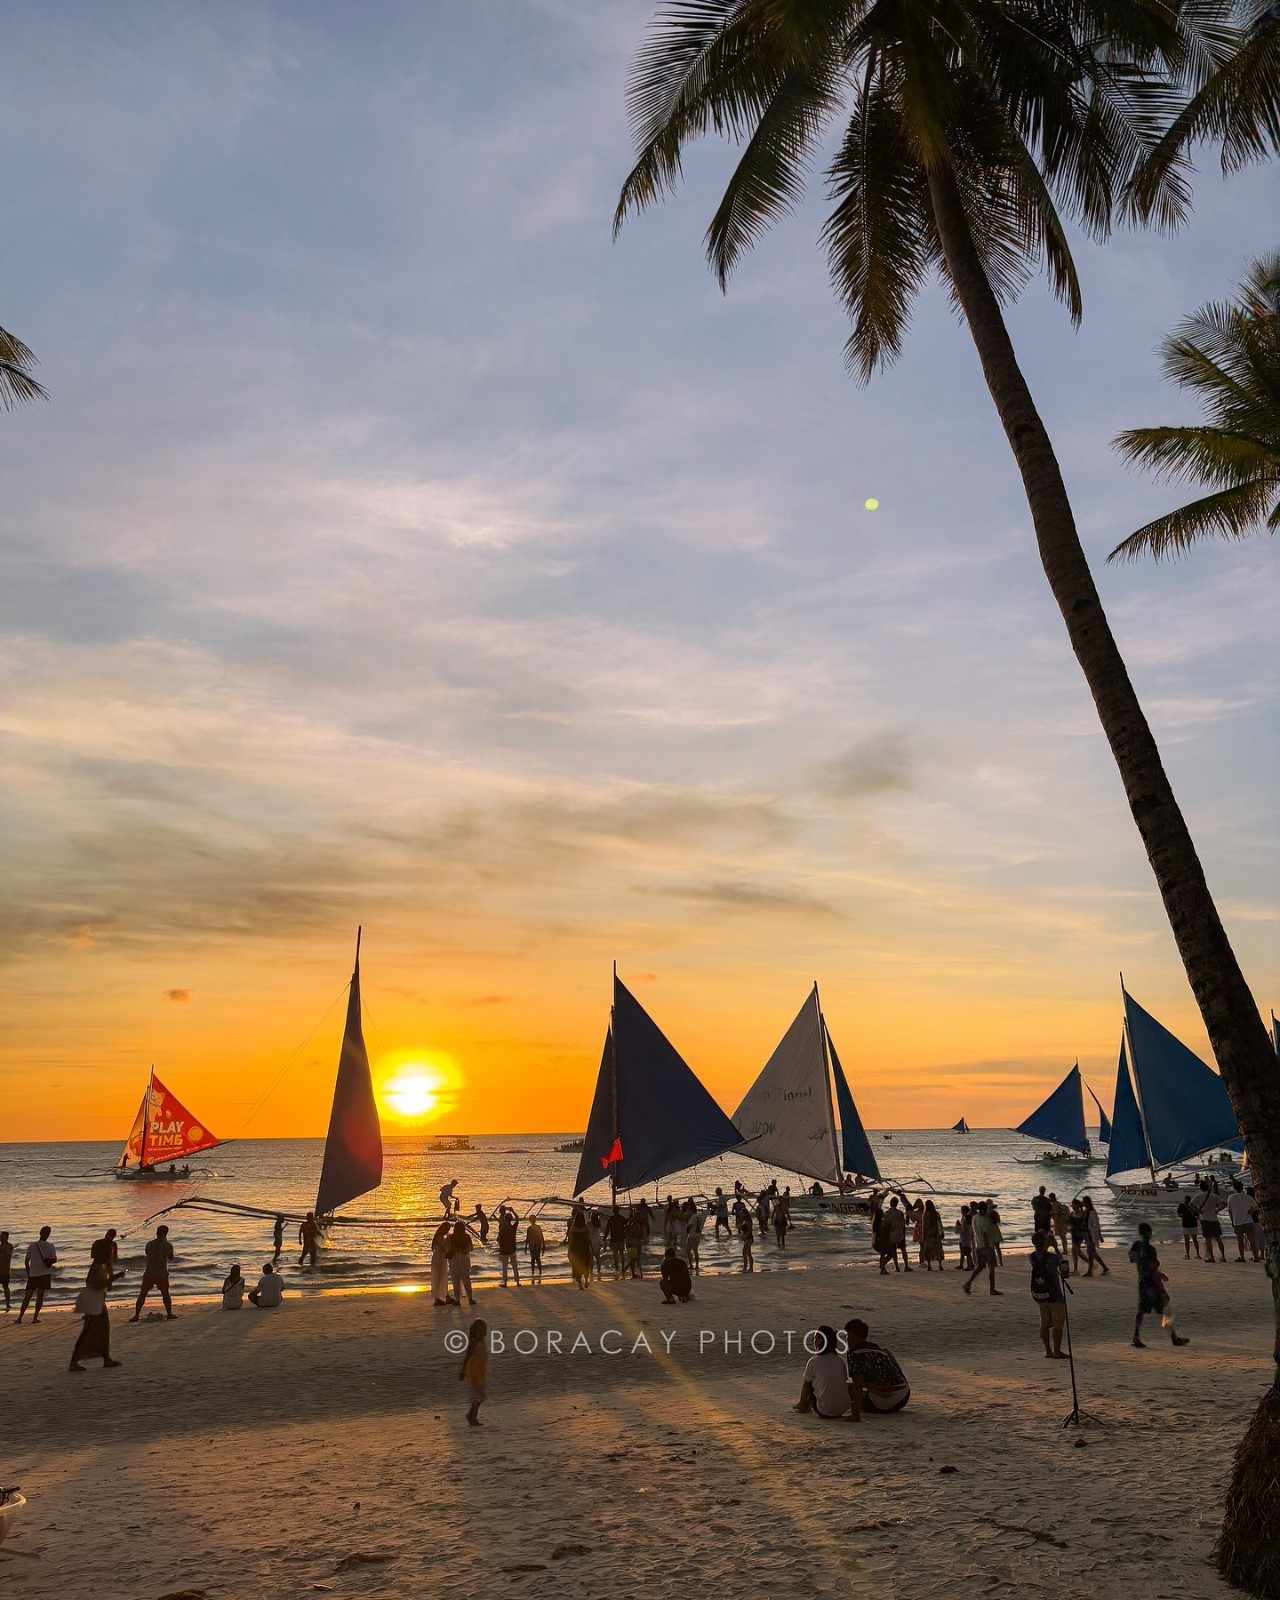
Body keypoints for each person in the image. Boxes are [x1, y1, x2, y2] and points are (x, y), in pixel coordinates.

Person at [1129, 1224, 1189, 1348]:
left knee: (1141, 1311)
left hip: (1142, 1282)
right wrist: (1161, 1287)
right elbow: (1152, 1269)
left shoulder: (1136, 1246)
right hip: (1152, 1283)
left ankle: (1136, 1336)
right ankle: (1174, 1338)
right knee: (1166, 1309)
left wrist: (1156, 1272)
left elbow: (1133, 1260)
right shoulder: (1150, 1250)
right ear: (1149, 1233)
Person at [844, 1319, 911, 1414]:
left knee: (848, 1388)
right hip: (903, 1398)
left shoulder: (854, 1353)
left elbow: (857, 1386)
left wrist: (855, 1415)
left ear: (853, 1335)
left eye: (847, 1336)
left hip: (881, 1403)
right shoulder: (880, 1351)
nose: (846, 1340)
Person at [795, 1326, 858, 1420]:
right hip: (843, 1408)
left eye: (815, 1338)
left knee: (809, 1383)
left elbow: (806, 1385)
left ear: (820, 1340)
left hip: (824, 1411)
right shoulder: (840, 1360)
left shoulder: (813, 1361)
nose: (814, 1340)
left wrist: (803, 1400)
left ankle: (803, 1405)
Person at [69, 1264, 121, 1373]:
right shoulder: (97, 1266)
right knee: (89, 1331)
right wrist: (114, 1277)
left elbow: (105, 1286)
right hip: (94, 1300)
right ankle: (74, 1362)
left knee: (102, 1329)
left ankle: (106, 1358)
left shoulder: (102, 1266)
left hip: (98, 1300)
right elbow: (95, 1284)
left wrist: (110, 1274)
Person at [1030, 1233, 1069, 1359]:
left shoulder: (1032, 1257)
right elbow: (1064, 1270)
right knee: (1058, 1324)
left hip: (1040, 1293)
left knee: (1044, 1323)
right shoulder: (1053, 1257)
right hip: (1054, 1294)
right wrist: (1056, 1247)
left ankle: (1048, 1350)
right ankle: (1057, 1351)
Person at [131, 1224, 177, 1321]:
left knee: (142, 1294)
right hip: (161, 1273)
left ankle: (136, 1315)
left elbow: (147, 1254)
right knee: (165, 1294)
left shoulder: (149, 1244)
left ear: (157, 1233)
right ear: (166, 1233)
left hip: (149, 1272)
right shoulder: (168, 1245)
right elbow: (171, 1258)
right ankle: (169, 1314)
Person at [17, 1225, 56, 1323]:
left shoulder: (32, 1245)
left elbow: (26, 1261)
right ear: (48, 1235)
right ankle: (35, 1318)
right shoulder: (51, 1246)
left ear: (40, 1233)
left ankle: (20, 1318)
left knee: (28, 1296)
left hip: (33, 1274)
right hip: (45, 1274)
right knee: (40, 1297)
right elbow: (54, 1259)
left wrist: (28, 1273)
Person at [963, 1202, 1001, 1296]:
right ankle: (992, 1289)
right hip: (986, 1246)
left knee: (980, 1267)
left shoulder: (975, 1218)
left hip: (978, 1246)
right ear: (984, 1209)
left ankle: (968, 1283)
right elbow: (985, 1234)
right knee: (991, 1267)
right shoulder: (985, 1220)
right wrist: (988, 1247)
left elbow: (974, 1231)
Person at [460, 1318, 488, 1426]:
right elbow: (467, 1356)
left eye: (485, 1329)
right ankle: (472, 1417)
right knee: (478, 1396)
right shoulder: (474, 1342)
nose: (484, 1331)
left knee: (480, 1396)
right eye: (482, 1329)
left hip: (481, 1372)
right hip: (474, 1373)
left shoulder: (481, 1341)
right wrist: (462, 1371)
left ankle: (471, 1415)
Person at [1227, 1181, 1261, 1263]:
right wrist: (1251, 1211)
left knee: (1240, 1241)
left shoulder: (1231, 1198)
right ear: (1242, 1188)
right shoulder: (1248, 1197)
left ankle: (1242, 1257)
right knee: (1252, 1240)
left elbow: (1230, 1211)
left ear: (1234, 1188)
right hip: (1248, 1221)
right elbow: (1257, 1207)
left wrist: (1232, 1222)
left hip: (1237, 1222)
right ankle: (1256, 1257)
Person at [1196, 1180, 1226, 1262]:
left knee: (1208, 1239)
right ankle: (1223, 1256)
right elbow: (1223, 1204)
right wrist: (1217, 1210)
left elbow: (1191, 1205)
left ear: (1200, 1188)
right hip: (1214, 1219)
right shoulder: (1214, 1196)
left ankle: (1212, 1257)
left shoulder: (1198, 1196)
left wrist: (1199, 1211)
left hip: (1205, 1219)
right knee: (1218, 1239)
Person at [447, 1220, 475, 1307]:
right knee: (466, 1279)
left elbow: (448, 1249)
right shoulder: (466, 1236)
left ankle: (457, 1300)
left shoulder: (451, 1237)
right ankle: (470, 1299)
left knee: (455, 1280)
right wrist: (463, 1250)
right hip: (464, 1258)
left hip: (454, 1259)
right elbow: (471, 1248)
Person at [1081, 1197, 1108, 1276]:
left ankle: (1090, 1271)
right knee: (1092, 1253)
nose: (1083, 1203)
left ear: (1086, 1202)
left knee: (1091, 1253)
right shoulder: (1085, 1211)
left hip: (1090, 1235)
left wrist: (1099, 1236)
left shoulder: (1092, 1212)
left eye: (1083, 1202)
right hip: (1087, 1235)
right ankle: (1104, 1267)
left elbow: (1096, 1225)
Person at [884, 1196, 910, 1272]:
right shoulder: (900, 1213)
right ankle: (906, 1266)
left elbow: (885, 1225)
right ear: (897, 1204)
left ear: (890, 1203)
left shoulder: (887, 1213)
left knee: (893, 1251)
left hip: (891, 1234)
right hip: (900, 1233)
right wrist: (903, 1234)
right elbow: (903, 1225)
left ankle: (897, 1267)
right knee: (903, 1250)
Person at [430, 1219, 453, 1305]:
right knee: (440, 1277)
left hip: (437, 1258)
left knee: (441, 1277)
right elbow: (444, 1248)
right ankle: (438, 1298)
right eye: (447, 1229)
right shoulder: (440, 1238)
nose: (448, 1231)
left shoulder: (437, 1237)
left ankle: (445, 1296)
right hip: (440, 1259)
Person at [497, 1207, 522, 1287]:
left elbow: (499, 1240)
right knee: (515, 1266)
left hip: (504, 1250)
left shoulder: (502, 1228)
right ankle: (517, 1282)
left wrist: (500, 1248)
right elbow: (517, 1219)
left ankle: (505, 1283)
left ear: (505, 1219)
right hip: (512, 1249)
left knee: (505, 1267)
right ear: (511, 1219)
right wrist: (513, 1211)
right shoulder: (513, 1227)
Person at [920, 1200, 945, 1270]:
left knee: (928, 1250)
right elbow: (940, 1224)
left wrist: (923, 1236)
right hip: (936, 1234)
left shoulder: (925, 1214)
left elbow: (924, 1226)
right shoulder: (936, 1214)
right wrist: (942, 1232)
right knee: (938, 1250)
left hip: (928, 1235)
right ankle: (940, 1265)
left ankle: (929, 1266)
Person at [1176, 1194, 1202, 1260]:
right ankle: (1198, 1254)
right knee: (1195, 1240)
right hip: (1193, 1225)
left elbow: (1179, 1214)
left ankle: (1187, 1255)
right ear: (1190, 1200)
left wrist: (1183, 1215)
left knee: (1186, 1241)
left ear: (1185, 1199)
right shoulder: (1193, 1206)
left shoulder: (1181, 1205)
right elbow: (1197, 1214)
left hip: (1185, 1225)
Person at [1067, 1200, 1089, 1275]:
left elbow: (1085, 1224)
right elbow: (1069, 1223)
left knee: (1075, 1250)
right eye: (1072, 1205)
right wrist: (1069, 1227)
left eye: (1073, 1205)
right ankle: (1077, 1269)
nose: (1072, 1206)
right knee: (1076, 1252)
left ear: (1077, 1205)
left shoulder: (1082, 1214)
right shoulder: (1072, 1213)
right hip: (1073, 1234)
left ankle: (1076, 1270)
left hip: (1080, 1234)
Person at [606, 1206, 627, 1278]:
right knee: (621, 1255)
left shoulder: (611, 1219)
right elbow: (627, 1225)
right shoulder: (622, 1218)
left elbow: (607, 1230)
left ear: (613, 1211)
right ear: (618, 1211)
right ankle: (622, 1269)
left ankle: (617, 1269)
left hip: (615, 1240)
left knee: (616, 1255)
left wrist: (604, 1238)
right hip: (620, 1239)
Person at [625, 1210, 645, 1279]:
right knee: (635, 1259)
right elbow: (639, 1235)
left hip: (632, 1243)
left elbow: (640, 1235)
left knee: (634, 1259)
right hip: (634, 1244)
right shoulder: (634, 1226)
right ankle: (636, 1273)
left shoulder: (632, 1225)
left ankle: (635, 1273)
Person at [525, 1217, 545, 1284]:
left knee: (534, 1259)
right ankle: (538, 1272)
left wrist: (525, 1246)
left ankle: (535, 1272)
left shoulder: (530, 1228)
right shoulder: (533, 1228)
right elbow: (541, 1236)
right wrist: (543, 1245)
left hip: (534, 1245)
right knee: (536, 1259)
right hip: (535, 1245)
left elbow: (527, 1238)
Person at [1049, 1193, 1070, 1257]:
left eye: (1050, 1198)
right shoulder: (1058, 1203)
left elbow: (1055, 1214)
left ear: (1052, 1198)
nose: (1050, 1199)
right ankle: (1065, 1250)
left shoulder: (1055, 1205)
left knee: (1062, 1237)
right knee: (1063, 1237)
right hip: (1062, 1223)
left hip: (1060, 1223)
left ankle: (1065, 1250)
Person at [685, 1203, 704, 1275]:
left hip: (692, 1235)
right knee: (693, 1250)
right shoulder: (700, 1215)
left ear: (691, 1210)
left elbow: (689, 1226)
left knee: (689, 1250)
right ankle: (695, 1265)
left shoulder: (693, 1217)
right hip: (697, 1235)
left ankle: (693, 1265)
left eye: (689, 1210)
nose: (688, 1211)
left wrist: (687, 1231)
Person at [956, 1206, 974, 1271]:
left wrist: (958, 1225)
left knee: (967, 1252)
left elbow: (963, 1229)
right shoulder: (966, 1218)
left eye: (962, 1210)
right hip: (965, 1237)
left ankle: (969, 1266)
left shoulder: (966, 1218)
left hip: (965, 1238)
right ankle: (967, 1264)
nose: (961, 1211)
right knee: (964, 1252)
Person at [0, 1230, 11, 1312]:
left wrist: (2, 1251)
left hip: (5, 1271)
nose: (0, 1237)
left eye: (2, 1236)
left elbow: (8, 1257)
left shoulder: (9, 1246)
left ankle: (7, 1304)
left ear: (6, 1237)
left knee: (5, 1287)